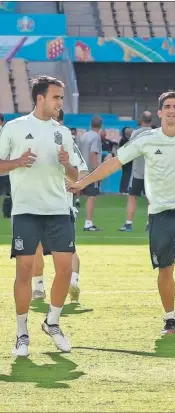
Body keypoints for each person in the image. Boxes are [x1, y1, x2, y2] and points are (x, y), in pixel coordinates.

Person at [68, 90, 175, 338]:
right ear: (160, 112)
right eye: (167, 107)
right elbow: (115, 162)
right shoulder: (147, 139)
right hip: (159, 215)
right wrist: (85, 181)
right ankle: (169, 318)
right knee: (165, 270)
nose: (172, 111)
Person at [0, 75, 79, 357]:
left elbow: (75, 174)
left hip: (59, 210)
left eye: (61, 97)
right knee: (24, 272)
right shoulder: (14, 127)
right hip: (26, 211)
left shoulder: (64, 132)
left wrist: (67, 164)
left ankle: (52, 322)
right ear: (41, 98)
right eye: (56, 97)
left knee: (66, 270)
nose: (61, 102)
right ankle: (22, 333)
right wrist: (18, 162)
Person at [32, 109, 89, 302]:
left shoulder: (69, 145)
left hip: (62, 207)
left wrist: (74, 183)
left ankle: (73, 281)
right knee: (36, 247)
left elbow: (83, 172)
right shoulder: (34, 143)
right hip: (37, 204)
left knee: (68, 249)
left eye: (56, 120)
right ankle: (38, 286)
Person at [118, 111, 153, 232]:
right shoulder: (155, 133)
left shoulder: (136, 133)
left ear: (141, 120)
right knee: (151, 200)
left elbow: (130, 149)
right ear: (151, 121)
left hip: (138, 171)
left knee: (132, 197)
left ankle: (128, 224)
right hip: (152, 172)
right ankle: (150, 224)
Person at [77, 115, 103, 231]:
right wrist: (97, 172)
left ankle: (87, 222)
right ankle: (88, 223)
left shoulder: (84, 136)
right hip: (91, 171)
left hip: (82, 169)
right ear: (101, 125)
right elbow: (93, 154)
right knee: (92, 197)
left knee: (86, 196)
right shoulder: (96, 137)